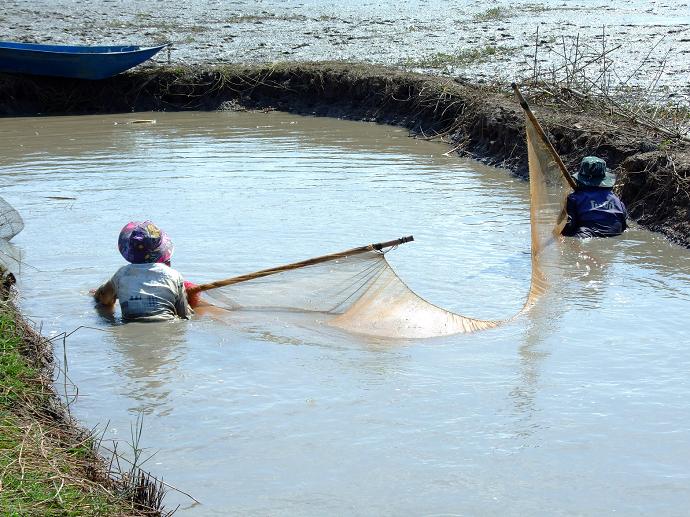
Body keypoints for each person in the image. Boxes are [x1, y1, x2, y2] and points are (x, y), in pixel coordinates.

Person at [94, 221, 193, 321]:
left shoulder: (121, 275)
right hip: (167, 328)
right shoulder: (174, 276)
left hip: (129, 329)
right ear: (160, 250)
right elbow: (184, 316)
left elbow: (104, 299)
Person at [561, 156, 627, 238]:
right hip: (615, 234)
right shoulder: (616, 199)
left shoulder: (574, 198)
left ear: (580, 179)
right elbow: (624, 226)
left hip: (586, 235)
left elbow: (568, 227)